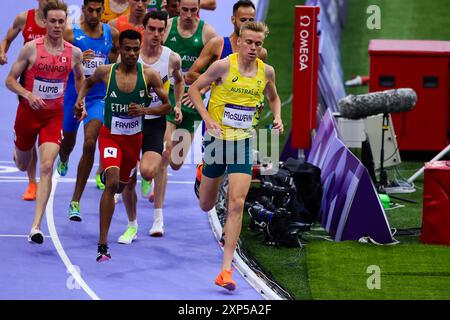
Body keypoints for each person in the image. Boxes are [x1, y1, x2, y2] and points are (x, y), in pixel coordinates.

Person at [188, 21, 283, 291]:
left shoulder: (267, 72)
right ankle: (202, 175)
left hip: (242, 141)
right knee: (206, 205)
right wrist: (207, 117)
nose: (253, 48)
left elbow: (274, 98)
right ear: (239, 42)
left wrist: (277, 116)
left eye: (258, 44)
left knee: (237, 203)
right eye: (249, 42)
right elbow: (195, 90)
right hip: (217, 141)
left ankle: (226, 269)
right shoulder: (222, 66)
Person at [74, 29, 170, 262]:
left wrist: (145, 110)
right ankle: (103, 244)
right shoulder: (106, 72)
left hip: (133, 141)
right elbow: (88, 83)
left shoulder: (150, 76)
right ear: (119, 48)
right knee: (113, 182)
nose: (131, 53)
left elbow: (166, 106)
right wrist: (80, 101)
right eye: (127, 49)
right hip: (110, 137)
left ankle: (117, 186)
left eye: (136, 49)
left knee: (122, 186)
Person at [5, 0, 84, 244]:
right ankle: (19, 153)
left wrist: (79, 102)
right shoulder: (31, 49)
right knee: (22, 164)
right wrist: (28, 94)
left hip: (54, 116)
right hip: (28, 115)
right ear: (46, 22)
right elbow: (10, 80)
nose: (58, 26)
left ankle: (36, 226)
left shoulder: (74, 53)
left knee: (47, 166)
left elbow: (81, 80)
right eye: (53, 21)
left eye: (62, 21)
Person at [141, 0, 215, 235]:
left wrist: (201, 91)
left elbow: (215, 74)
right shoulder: (166, 27)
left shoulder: (208, 35)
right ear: (178, 8)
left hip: (191, 104)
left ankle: (192, 171)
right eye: (185, 9)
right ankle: (158, 218)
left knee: (176, 161)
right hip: (168, 100)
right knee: (164, 152)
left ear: (199, 10)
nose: (189, 14)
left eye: (194, 10)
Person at [119, 10, 184, 242]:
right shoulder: (129, 57)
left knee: (151, 169)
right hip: (130, 122)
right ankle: (132, 224)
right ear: (143, 30)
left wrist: (176, 104)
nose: (156, 34)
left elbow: (179, 79)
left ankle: (158, 217)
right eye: (152, 29)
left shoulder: (171, 57)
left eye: (161, 29)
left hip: (156, 120)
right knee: (126, 177)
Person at [55, 0, 119, 222]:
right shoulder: (72, 35)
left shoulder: (112, 34)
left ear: (103, 11)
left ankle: (75, 201)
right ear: (83, 10)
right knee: (67, 143)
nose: (94, 14)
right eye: (90, 10)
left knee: (90, 142)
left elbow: (115, 61)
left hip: (97, 98)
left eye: (98, 10)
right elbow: (59, 60)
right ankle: (63, 158)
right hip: (73, 95)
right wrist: (78, 60)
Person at [0, 0, 50, 201]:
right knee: (30, 137)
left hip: (53, 84)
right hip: (28, 85)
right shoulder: (24, 18)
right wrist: (2, 51)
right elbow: (7, 38)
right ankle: (32, 182)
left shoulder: (60, 22)